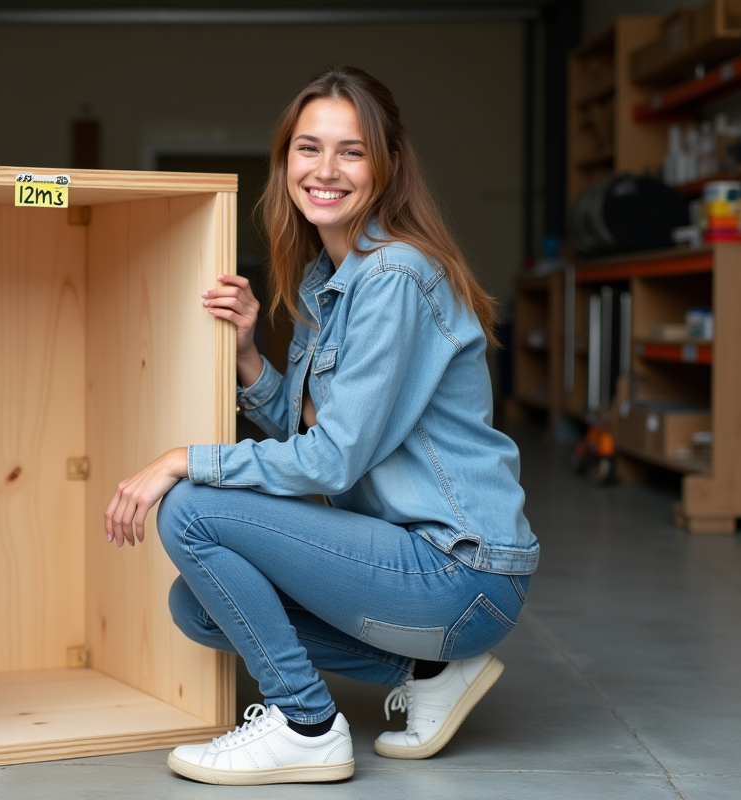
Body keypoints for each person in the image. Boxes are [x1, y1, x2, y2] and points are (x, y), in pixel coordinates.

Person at [103, 65, 538, 786]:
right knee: (200, 607)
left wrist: (183, 458)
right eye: (308, 148)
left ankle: (305, 726)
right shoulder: (325, 282)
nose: (325, 170)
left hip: (458, 570)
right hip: (411, 562)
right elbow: (310, 434)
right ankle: (430, 671)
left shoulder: (395, 277)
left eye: (351, 151)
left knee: (189, 507)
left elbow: (332, 461)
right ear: (286, 161)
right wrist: (249, 356)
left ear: (387, 166)